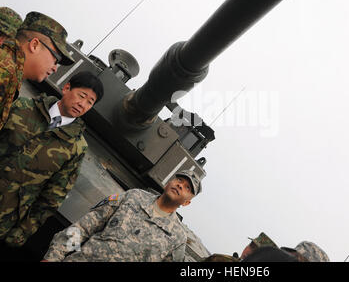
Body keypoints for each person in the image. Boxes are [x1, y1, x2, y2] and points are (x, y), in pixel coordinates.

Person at [0, 71, 104, 247]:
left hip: (4, 218)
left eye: (90, 102)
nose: (83, 104)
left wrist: (21, 232)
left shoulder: (76, 147)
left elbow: (52, 197)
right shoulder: (24, 107)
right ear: (67, 88)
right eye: (82, 95)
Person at [42, 169, 202, 262]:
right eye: (179, 179)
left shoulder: (176, 237)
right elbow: (83, 228)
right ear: (168, 182)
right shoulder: (133, 197)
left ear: (187, 203)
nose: (180, 185)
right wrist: (53, 257)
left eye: (187, 188)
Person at [0, 11, 74, 131]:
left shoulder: (10, 71)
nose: (55, 68)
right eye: (56, 59)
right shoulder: (4, 71)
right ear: (34, 45)